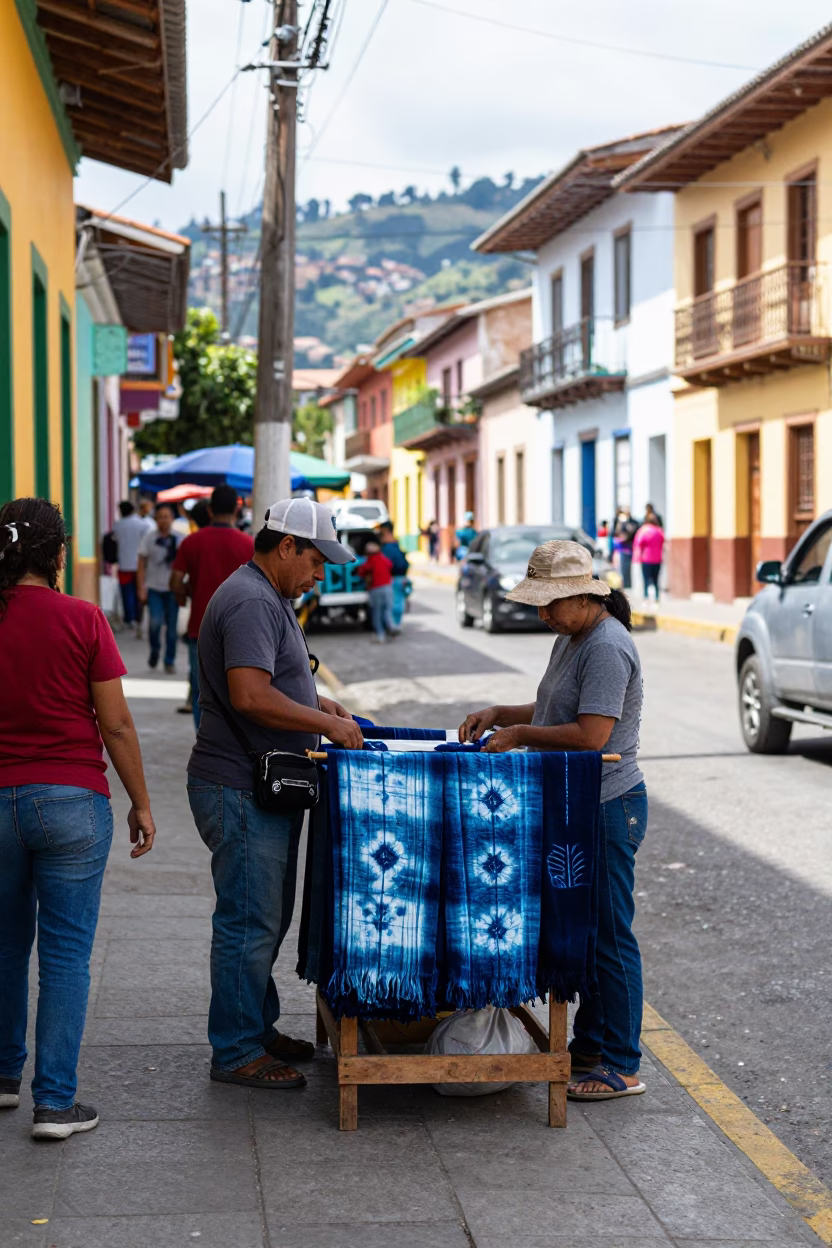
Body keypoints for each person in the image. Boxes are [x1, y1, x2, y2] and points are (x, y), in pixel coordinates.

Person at [459, 540, 647, 1102]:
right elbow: (555, 708)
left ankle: (621, 1062)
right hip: (575, 803)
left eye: (549, 604)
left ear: (581, 596)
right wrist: (502, 713)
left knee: (611, 936)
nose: (541, 615)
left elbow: (591, 735)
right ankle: (591, 1044)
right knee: (586, 931)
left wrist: (518, 736)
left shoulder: (608, 645)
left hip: (608, 804)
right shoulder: (573, 638)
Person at [187, 497, 364, 1090]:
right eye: (316, 561)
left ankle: (254, 1027)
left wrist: (319, 703)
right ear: (286, 546)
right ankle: (236, 1049)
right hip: (237, 785)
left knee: (265, 915)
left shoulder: (270, 596)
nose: (321, 574)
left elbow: (279, 682)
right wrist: (328, 726)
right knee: (249, 920)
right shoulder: (249, 601)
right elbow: (250, 696)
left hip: (258, 783)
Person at [0, 498, 157, 1140]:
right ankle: (55, 1104)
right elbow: (115, 723)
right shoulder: (83, 618)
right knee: (66, 955)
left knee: (6, 946)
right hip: (72, 802)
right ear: (58, 555)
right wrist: (142, 802)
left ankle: (5, 1079)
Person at [171, 485, 254, 730]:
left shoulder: (191, 543)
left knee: (201, 691)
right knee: (237, 690)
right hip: (240, 631)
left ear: (209, 510)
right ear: (237, 509)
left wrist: (186, 595)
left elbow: (175, 581)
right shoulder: (248, 545)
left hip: (200, 627)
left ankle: (204, 737)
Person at [137, 502, 183, 672]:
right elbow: (141, 562)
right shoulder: (149, 538)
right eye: (160, 517)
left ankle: (169, 660)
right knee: (155, 623)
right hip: (154, 587)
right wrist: (141, 587)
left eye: (167, 517)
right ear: (156, 519)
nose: (164, 520)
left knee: (172, 628)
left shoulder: (179, 539)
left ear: (172, 519)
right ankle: (155, 650)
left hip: (173, 590)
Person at [113, 500, 154, 637]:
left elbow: (115, 541)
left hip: (124, 564)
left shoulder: (117, 525)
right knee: (139, 592)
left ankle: (128, 618)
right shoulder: (143, 525)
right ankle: (138, 618)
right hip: (139, 565)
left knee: (126, 592)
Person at [357, 539, 396, 643]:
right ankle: (391, 626)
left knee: (377, 613)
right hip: (387, 587)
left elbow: (361, 572)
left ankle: (381, 635)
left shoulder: (370, 561)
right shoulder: (384, 558)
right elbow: (391, 566)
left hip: (375, 589)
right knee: (388, 610)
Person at [378, 521, 409, 629]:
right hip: (397, 579)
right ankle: (394, 625)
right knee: (396, 603)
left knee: (394, 603)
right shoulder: (395, 545)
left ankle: (393, 626)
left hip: (393, 579)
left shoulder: (387, 547)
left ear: (386, 531)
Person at [633, 515, 665, 605]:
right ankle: (656, 598)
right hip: (657, 559)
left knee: (646, 579)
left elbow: (638, 544)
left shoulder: (643, 531)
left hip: (646, 559)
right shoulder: (659, 531)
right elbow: (663, 542)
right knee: (656, 580)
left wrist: (636, 558)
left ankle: (646, 598)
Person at [613, 507, 639, 590]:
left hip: (630, 548)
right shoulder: (618, 521)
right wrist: (620, 522)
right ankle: (624, 585)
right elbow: (616, 532)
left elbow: (632, 532)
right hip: (621, 548)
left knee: (629, 568)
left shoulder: (633, 522)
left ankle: (628, 585)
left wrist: (626, 523)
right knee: (622, 568)